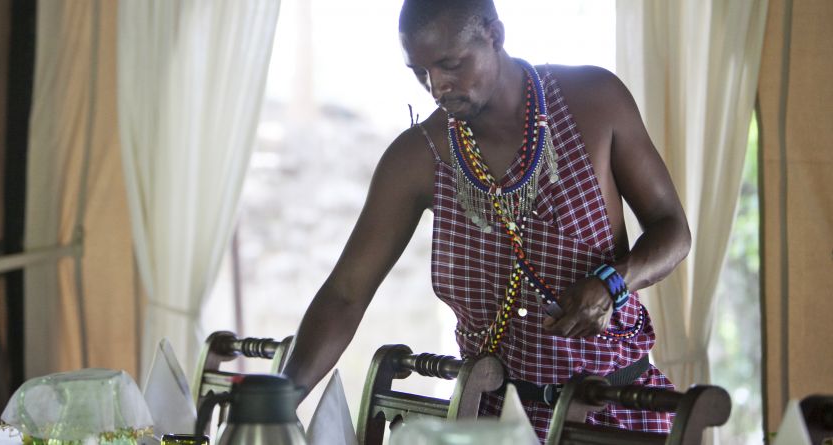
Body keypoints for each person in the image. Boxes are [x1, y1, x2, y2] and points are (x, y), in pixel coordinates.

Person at [281, 0, 691, 441]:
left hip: (616, 412)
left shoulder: (594, 100)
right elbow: (345, 293)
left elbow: (673, 231)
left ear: (495, 35)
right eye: (419, 72)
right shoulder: (418, 158)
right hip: (494, 427)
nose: (437, 87)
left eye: (451, 64)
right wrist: (277, 404)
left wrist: (613, 282)